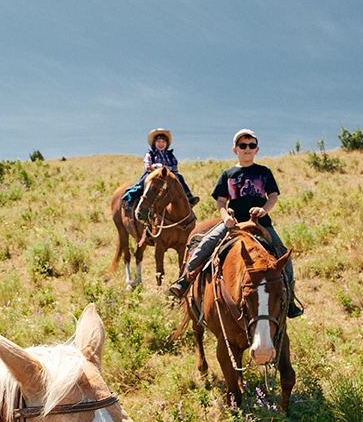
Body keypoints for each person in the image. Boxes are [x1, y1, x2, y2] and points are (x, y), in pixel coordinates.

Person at [168, 129, 303, 318]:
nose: (247, 149)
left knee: (282, 255)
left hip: (261, 223)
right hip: (234, 223)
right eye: (243, 146)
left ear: (256, 149)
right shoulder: (228, 174)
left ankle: (289, 300)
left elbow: (273, 196)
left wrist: (264, 209)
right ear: (235, 149)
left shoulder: (264, 172)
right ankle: (185, 280)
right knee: (206, 243)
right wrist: (225, 218)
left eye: (251, 145)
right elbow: (221, 202)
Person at [121, 128, 198, 214]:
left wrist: (166, 169)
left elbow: (175, 167)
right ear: (154, 143)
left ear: (166, 144)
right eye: (159, 142)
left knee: (179, 178)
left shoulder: (170, 155)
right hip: (153, 174)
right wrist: (160, 167)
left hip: (167, 175)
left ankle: (188, 197)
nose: (161, 144)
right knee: (145, 183)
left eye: (163, 142)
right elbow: (148, 166)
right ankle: (139, 201)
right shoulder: (150, 155)